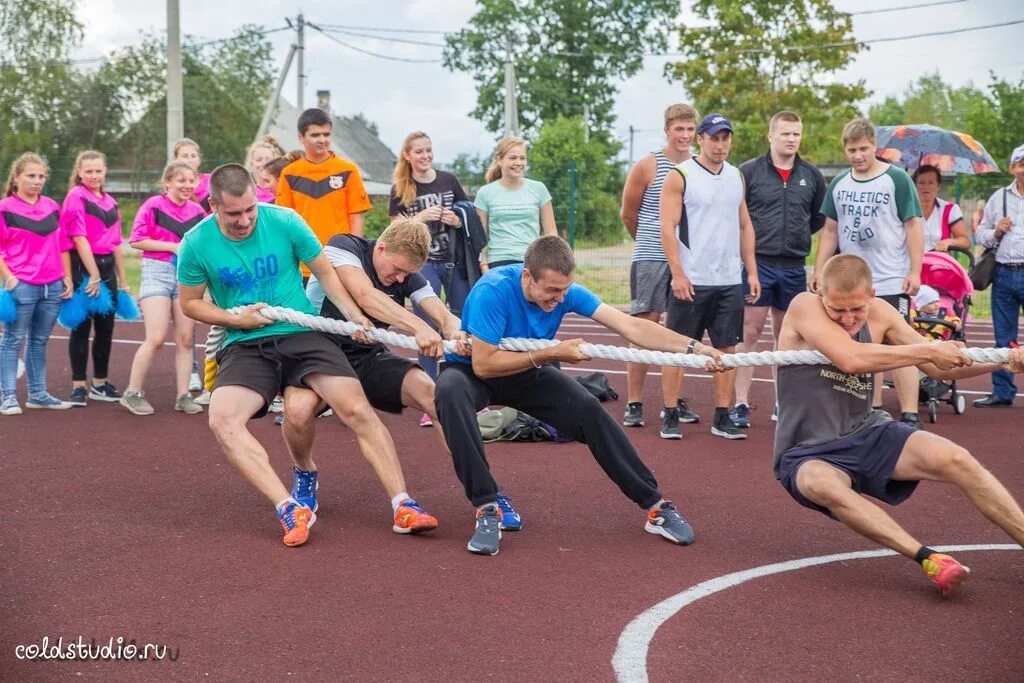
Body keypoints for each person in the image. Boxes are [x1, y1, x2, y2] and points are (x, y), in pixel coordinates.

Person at [177, 163, 439, 547]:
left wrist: (354, 317)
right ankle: (288, 506)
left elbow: (326, 273)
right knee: (222, 419)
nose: (245, 220)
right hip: (245, 342)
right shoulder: (196, 243)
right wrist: (237, 318)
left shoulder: (285, 221)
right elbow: (191, 305)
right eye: (233, 213)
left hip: (302, 333)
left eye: (250, 209)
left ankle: (403, 504)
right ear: (213, 205)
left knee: (354, 408)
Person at [434, 235, 725, 556]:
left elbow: (632, 327)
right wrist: (552, 353)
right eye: (551, 291)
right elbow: (485, 365)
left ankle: (655, 506)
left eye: (564, 291)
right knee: (449, 393)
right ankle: (487, 506)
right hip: (474, 373)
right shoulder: (493, 291)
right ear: (528, 277)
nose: (558, 299)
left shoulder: (566, 292)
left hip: (523, 372)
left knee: (589, 409)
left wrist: (694, 347)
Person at [774, 253, 1024, 597]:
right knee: (822, 484)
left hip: (869, 431)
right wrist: (928, 351)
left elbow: (941, 369)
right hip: (807, 450)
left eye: (856, 309)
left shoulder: (883, 314)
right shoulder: (804, 305)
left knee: (958, 459)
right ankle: (929, 559)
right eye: (838, 310)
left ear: (872, 295)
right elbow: (851, 358)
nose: (848, 319)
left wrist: (1004, 360)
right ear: (821, 294)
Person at [286, 220, 485, 508]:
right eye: (398, 269)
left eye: (409, 273)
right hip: (317, 352)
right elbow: (367, 297)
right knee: (298, 411)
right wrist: (419, 327)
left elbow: (442, 315)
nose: (402, 278)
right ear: (381, 248)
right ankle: (305, 472)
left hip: (365, 356)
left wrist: (455, 331)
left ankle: (484, 490)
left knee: (435, 397)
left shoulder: (407, 277)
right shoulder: (344, 247)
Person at [811, 118, 925, 428]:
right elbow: (831, 230)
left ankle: (911, 414)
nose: (858, 155)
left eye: (863, 149)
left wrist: (916, 270)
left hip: (890, 277)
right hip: (853, 284)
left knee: (902, 347)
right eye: (852, 150)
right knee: (865, 348)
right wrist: (820, 269)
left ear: (874, 146)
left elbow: (913, 225)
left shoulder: (897, 180)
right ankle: (870, 412)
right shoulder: (840, 183)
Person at [659, 113, 760, 440]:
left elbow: (745, 224)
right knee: (677, 349)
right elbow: (667, 227)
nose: (720, 144)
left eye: (725, 138)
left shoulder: (736, 176)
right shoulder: (680, 175)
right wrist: (678, 273)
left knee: (726, 350)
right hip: (692, 280)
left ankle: (721, 415)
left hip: (728, 280)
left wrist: (752, 270)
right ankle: (670, 412)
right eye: (714, 138)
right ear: (700, 139)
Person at [733, 111, 826, 427]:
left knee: (787, 338)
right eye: (785, 133)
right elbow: (738, 218)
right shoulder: (748, 172)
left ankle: (782, 403)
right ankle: (741, 404)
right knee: (749, 332)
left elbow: (817, 219)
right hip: (757, 265)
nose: (791, 139)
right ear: (770, 136)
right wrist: (750, 265)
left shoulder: (811, 176)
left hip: (793, 267)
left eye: (796, 134)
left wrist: (794, 238)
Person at [620, 103, 702, 438]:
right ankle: (635, 402)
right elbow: (628, 212)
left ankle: (675, 400)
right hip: (652, 257)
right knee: (645, 330)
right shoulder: (648, 164)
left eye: (689, 129)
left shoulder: (701, 165)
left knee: (681, 331)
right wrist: (651, 243)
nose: (684, 136)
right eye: (678, 129)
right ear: (667, 129)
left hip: (690, 260)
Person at [388, 131, 470, 426]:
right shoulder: (401, 188)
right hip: (423, 264)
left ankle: (467, 391)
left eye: (428, 150)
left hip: (454, 261)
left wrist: (457, 220)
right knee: (427, 326)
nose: (425, 156)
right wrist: (420, 218)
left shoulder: (448, 180)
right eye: (419, 152)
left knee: (463, 322)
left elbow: (468, 215)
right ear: (407, 156)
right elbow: (394, 230)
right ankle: (431, 396)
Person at [119, 161, 206, 416]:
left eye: (191, 181)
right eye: (181, 181)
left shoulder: (197, 211)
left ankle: (183, 396)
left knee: (186, 338)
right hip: (156, 273)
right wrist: (171, 247)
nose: (187, 186)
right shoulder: (152, 206)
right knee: (156, 337)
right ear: (167, 183)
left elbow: (202, 244)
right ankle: (132, 393)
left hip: (187, 277)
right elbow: (136, 240)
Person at [0, 153, 74, 415]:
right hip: (21, 285)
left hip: (52, 285)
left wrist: (67, 276)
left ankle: (38, 394)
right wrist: (10, 280)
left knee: (39, 340)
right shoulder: (5, 208)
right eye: (31, 176)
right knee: (12, 340)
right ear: (17, 177)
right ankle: (7, 396)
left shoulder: (53, 206)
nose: (37, 181)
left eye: (41, 176)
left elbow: (63, 245)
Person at [61, 150, 131, 406]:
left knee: (106, 328)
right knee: (81, 327)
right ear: (79, 172)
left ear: (105, 171)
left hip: (107, 268)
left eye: (98, 171)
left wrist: (123, 280)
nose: (94, 175)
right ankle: (78, 385)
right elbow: (78, 238)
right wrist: (92, 274)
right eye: (88, 171)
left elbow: (115, 243)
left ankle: (100, 383)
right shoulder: (75, 196)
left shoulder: (111, 202)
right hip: (84, 268)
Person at [276, 107, 372, 286]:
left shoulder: (348, 170)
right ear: (301, 137)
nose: (322, 140)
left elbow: (356, 218)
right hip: (302, 264)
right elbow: (284, 223)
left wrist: (354, 255)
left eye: (326, 134)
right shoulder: (289, 174)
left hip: (339, 260)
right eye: (315, 135)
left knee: (340, 314)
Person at [972, 143, 1024, 408]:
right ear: (1013, 167)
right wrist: (996, 232)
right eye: (1022, 163)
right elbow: (979, 235)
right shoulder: (999, 198)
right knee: (1004, 337)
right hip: (1003, 273)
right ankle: (1002, 392)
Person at [475, 137, 556, 269]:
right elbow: (480, 237)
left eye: (522, 158)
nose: (518, 162)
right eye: (513, 158)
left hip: (533, 262)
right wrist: (484, 266)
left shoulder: (539, 189)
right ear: (499, 160)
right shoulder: (485, 193)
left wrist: (549, 263)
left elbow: (551, 233)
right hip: (498, 263)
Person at [171, 137, 208, 394]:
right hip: (180, 261)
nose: (189, 160)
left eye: (192, 156)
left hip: (208, 255)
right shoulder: (173, 187)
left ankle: (219, 366)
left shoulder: (207, 187)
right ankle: (192, 370)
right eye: (184, 156)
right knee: (189, 315)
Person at [913, 164, 970, 253]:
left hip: (939, 264)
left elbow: (965, 242)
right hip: (910, 264)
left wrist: (950, 241)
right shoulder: (905, 209)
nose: (926, 187)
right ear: (914, 185)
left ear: (938, 186)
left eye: (931, 182)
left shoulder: (950, 209)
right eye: (921, 182)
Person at [246, 135, 285, 204]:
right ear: (251, 163)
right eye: (259, 160)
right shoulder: (247, 194)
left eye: (268, 159)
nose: (264, 164)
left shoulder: (284, 191)